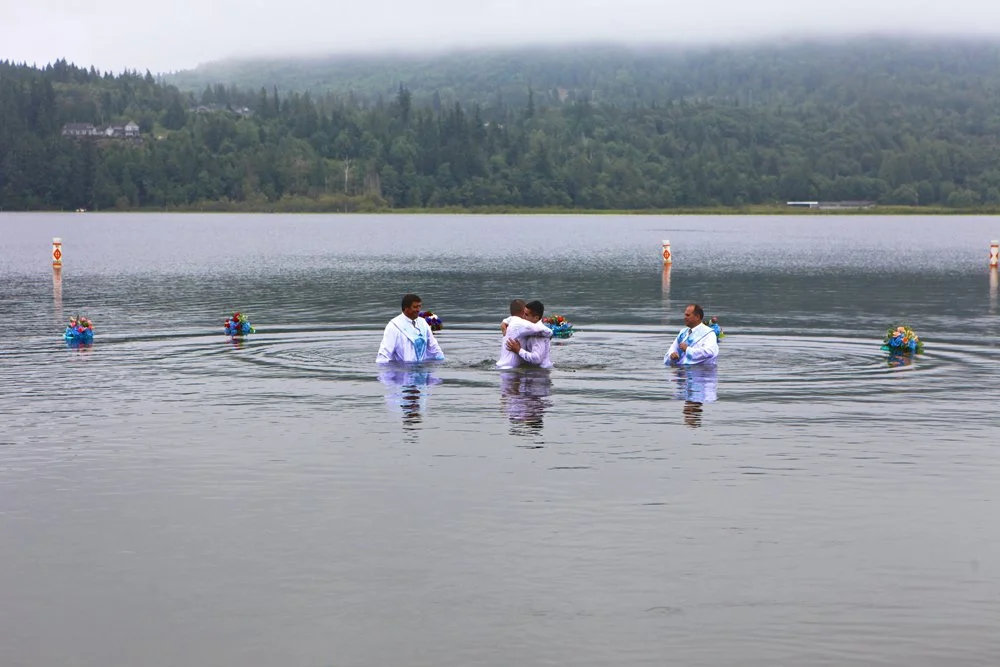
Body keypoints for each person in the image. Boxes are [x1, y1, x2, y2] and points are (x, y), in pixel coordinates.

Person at [376, 293, 445, 363]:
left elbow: (433, 347)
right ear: (406, 308)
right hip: (402, 367)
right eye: (415, 307)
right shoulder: (394, 326)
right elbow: (384, 354)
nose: (418, 310)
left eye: (419, 306)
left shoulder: (423, 322)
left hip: (422, 367)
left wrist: (441, 361)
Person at [496, 299, 552, 369]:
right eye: (524, 313)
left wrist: (519, 350)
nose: (524, 317)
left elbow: (537, 359)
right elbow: (549, 332)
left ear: (536, 318)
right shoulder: (524, 325)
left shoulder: (537, 334)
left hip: (540, 372)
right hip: (509, 368)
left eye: (526, 314)